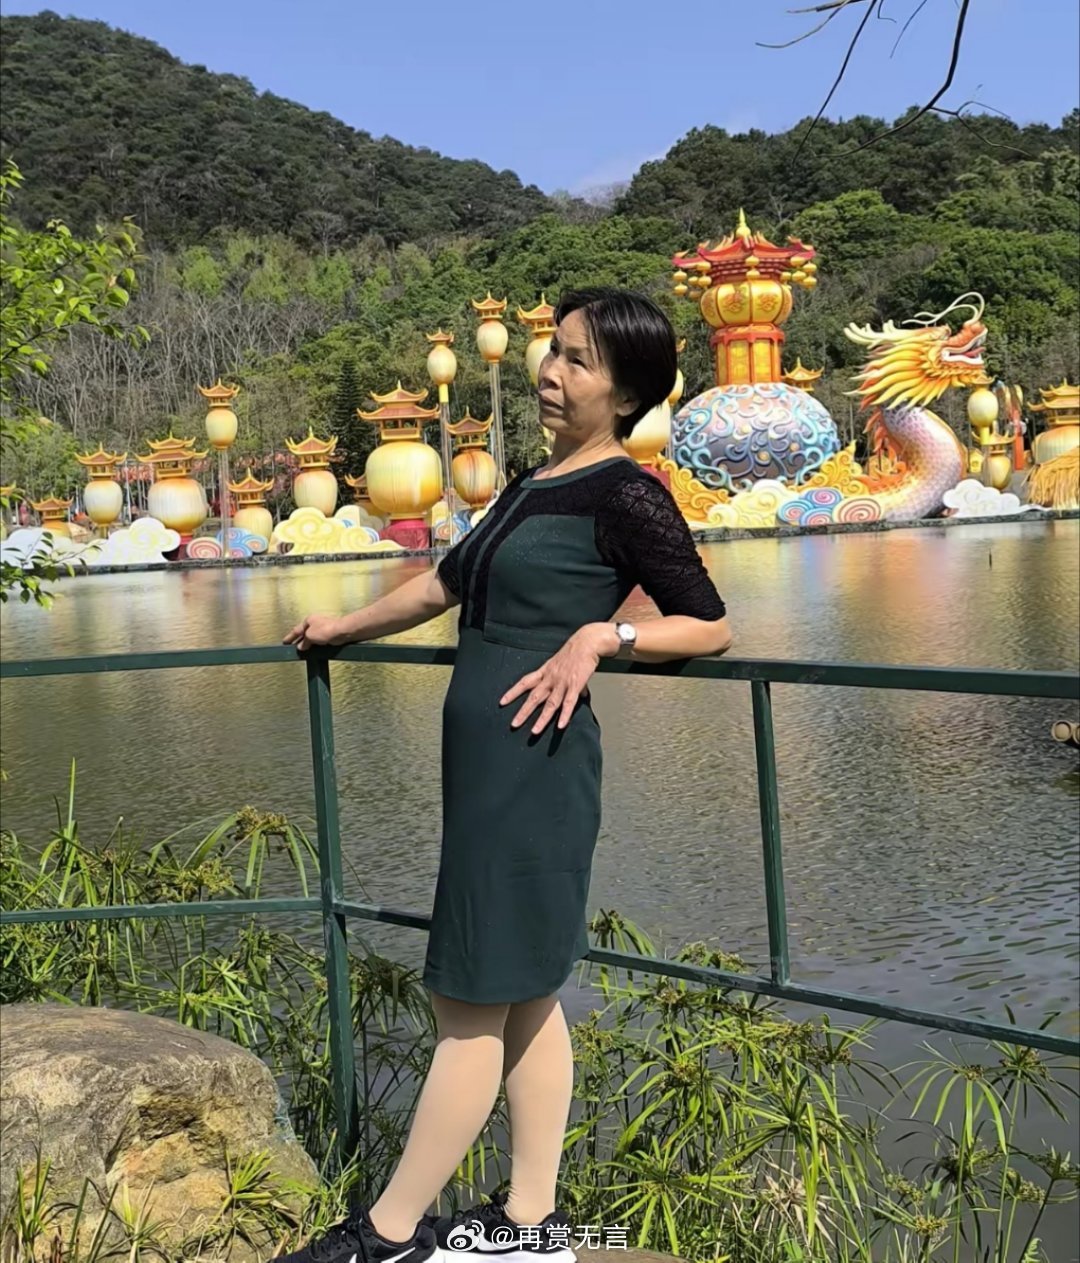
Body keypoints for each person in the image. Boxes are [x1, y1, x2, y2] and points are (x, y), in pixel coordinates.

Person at [280, 288, 732, 1263]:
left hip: (537, 769)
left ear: (627, 394)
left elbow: (709, 624)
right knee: (522, 994)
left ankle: (386, 1233)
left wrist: (602, 637)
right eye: (552, 351)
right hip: (489, 772)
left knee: (470, 1003)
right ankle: (532, 1219)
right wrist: (342, 626)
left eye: (577, 360)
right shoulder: (534, 481)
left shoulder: (626, 493)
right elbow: (448, 584)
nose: (550, 372)